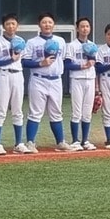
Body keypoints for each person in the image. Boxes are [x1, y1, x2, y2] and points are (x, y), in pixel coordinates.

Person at [20, 12, 69, 153]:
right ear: (39, 24)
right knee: (35, 113)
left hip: (56, 80)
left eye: (50, 22)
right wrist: (41, 63)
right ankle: (30, 142)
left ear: (54, 24)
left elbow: (63, 59)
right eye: (44, 22)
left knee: (56, 112)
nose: (47, 25)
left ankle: (61, 142)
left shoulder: (60, 41)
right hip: (38, 79)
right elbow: (25, 62)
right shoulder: (32, 42)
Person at [0, 13, 27, 154]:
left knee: (18, 110)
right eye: (8, 24)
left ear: (17, 25)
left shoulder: (21, 41)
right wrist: (10, 59)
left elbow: (23, 60)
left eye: (13, 23)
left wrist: (14, 60)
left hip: (18, 75)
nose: (11, 26)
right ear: (3, 26)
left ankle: (19, 143)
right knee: (1, 110)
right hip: (4, 74)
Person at [64, 17, 99, 151]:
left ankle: (85, 140)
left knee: (87, 112)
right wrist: (82, 66)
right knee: (76, 111)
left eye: (87, 26)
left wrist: (97, 88)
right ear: (77, 28)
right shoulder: (72, 45)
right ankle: (75, 141)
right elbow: (67, 64)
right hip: (77, 79)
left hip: (90, 80)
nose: (85, 29)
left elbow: (94, 64)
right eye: (82, 26)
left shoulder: (92, 45)